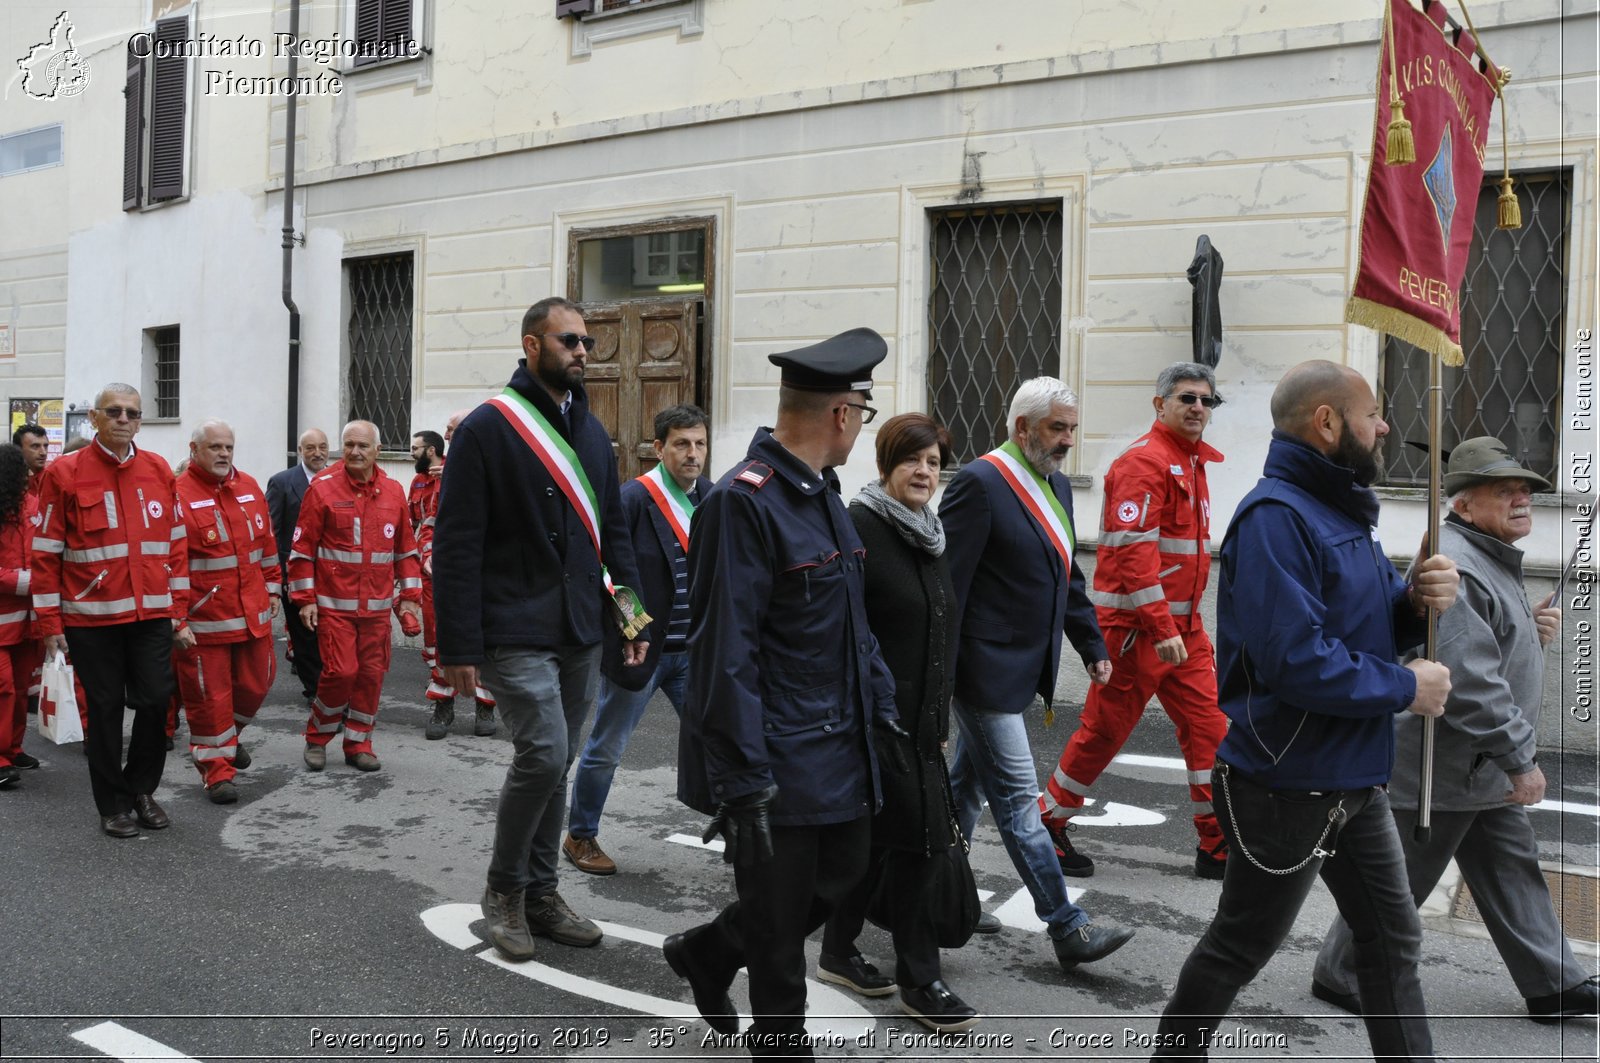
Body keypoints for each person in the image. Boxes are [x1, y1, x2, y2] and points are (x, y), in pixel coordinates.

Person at [1149, 359, 1459, 1060]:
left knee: (1391, 939)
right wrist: (1406, 686)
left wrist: (1413, 602)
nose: (1384, 426)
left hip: (1351, 777)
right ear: (1327, 422)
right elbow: (1295, 662)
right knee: (1240, 943)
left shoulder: (1338, 506)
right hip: (1286, 783)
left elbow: (1362, 624)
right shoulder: (1275, 519)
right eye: (1372, 413)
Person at [664, 328, 909, 1058]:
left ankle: (709, 949)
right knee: (780, 951)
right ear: (842, 413)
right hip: (776, 754)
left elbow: (852, 625)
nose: (860, 428)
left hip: (840, 741)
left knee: (843, 880)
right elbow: (721, 652)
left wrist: (884, 707)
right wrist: (741, 779)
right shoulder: (745, 503)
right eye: (861, 414)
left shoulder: (822, 497)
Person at [1313, 436, 1597, 1024]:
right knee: (1400, 884)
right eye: (1505, 490)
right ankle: (1338, 975)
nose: (1523, 500)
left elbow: (1485, 647)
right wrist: (1521, 759)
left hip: (1477, 766)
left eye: (1526, 490)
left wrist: (1527, 630)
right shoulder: (1460, 560)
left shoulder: (1487, 553)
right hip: (1443, 767)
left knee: (1511, 869)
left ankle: (1555, 984)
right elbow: (1466, 679)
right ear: (1463, 505)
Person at [433, 297, 648, 963]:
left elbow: (614, 530)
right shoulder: (488, 429)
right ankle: (503, 890)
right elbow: (458, 544)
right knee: (545, 751)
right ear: (531, 346)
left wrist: (633, 618)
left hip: (579, 625)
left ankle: (543, 893)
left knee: (558, 761)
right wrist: (458, 647)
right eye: (569, 340)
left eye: (586, 341)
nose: (583, 351)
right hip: (511, 626)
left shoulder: (591, 430)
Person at [941, 377, 1135, 973]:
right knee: (1021, 805)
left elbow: (1065, 574)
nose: (1068, 440)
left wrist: (1090, 643)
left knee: (962, 794)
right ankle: (1067, 926)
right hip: (981, 675)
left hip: (1022, 670)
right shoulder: (979, 483)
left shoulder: (1053, 483)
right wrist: (935, 689)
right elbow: (949, 590)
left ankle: (935, 896)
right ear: (1022, 428)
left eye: (1072, 429)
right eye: (1058, 428)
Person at [812, 412, 986, 1033]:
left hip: (921, 725)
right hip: (875, 724)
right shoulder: (859, 528)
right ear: (886, 465)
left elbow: (938, 632)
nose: (924, 472)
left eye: (934, 462)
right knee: (917, 848)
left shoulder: (929, 533)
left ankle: (835, 949)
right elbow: (845, 633)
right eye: (912, 459)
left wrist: (938, 716)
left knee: (878, 843)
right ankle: (920, 980)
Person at [1039, 362, 1230, 879]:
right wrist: (1162, 627)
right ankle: (1048, 826)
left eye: (1206, 401)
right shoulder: (1144, 463)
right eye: (1187, 398)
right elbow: (1130, 551)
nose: (1197, 408)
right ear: (1160, 404)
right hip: (1136, 635)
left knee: (1211, 732)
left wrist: (1180, 630)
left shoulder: (1191, 463)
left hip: (1183, 635)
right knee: (1104, 732)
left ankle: (1216, 845)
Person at [31, 383, 189, 838]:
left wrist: (178, 611)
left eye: (133, 413)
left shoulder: (159, 469)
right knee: (103, 710)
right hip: (91, 619)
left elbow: (175, 547)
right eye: (114, 412)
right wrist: (49, 623)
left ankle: (141, 789)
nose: (124, 419)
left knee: (157, 699)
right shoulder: (64, 472)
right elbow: (45, 553)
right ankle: (112, 804)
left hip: (151, 615)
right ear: (95, 419)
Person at [563, 403, 711, 876]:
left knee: (721, 741)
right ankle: (580, 836)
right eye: (682, 444)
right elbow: (609, 575)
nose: (693, 454)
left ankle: (740, 825)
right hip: (642, 652)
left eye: (700, 444)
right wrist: (632, 629)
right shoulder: (632, 499)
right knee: (606, 748)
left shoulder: (712, 497)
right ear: (659, 448)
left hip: (695, 653)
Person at [288, 420, 422, 773]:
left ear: (378, 450)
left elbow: (406, 551)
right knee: (340, 673)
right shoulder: (323, 488)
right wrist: (305, 600)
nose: (355, 452)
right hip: (335, 608)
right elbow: (303, 549)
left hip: (376, 612)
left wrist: (409, 598)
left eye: (363, 446)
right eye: (349, 445)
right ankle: (317, 737)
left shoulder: (394, 491)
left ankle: (359, 742)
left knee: (371, 675)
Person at [172, 420, 280, 804]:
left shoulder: (249, 487)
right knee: (209, 698)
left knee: (259, 683)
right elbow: (171, 564)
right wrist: (177, 619)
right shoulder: (177, 494)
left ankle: (227, 741)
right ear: (194, 449)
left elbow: (266, 544)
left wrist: (273, 588)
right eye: (215, 447)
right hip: (204, 621)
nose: (223, 454)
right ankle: (216, 771)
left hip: (253, 613)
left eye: (228, 447)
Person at [410, 428, 497, 740]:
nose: (446, 435)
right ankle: (442, 706)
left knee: (483, 641)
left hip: (479, 573)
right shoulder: (426, 480)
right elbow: (421, 524)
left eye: (452, 430)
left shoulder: (482, 471)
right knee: (438, 642)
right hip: (438, 575)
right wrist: (424, 557)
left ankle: (485, 707)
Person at [267, 428, 329, 706]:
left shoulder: (338, 478)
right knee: (305, 637)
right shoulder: (282, 482)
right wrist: (277, 577)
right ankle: (314, 690)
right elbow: (272, 532)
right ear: (300, 451)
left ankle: (332, 687)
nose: (318, 453)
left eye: (323, 447)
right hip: (295, 574)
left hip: (332, 575)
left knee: (329, 634)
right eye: (311, 448)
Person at [0, 445, 40, 788]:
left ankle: (12, 749)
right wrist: (25, 581)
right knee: (4, 689)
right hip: (5, 614)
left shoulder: (32, 505)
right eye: (22, 471)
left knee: (23, 688)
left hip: (29, 620)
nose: (28, 476)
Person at [12, 424, 48, 496]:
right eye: (35, 446)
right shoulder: (8, 480)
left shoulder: (52, 478)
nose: (43, 452)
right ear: (18, 449)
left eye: (45, 446)